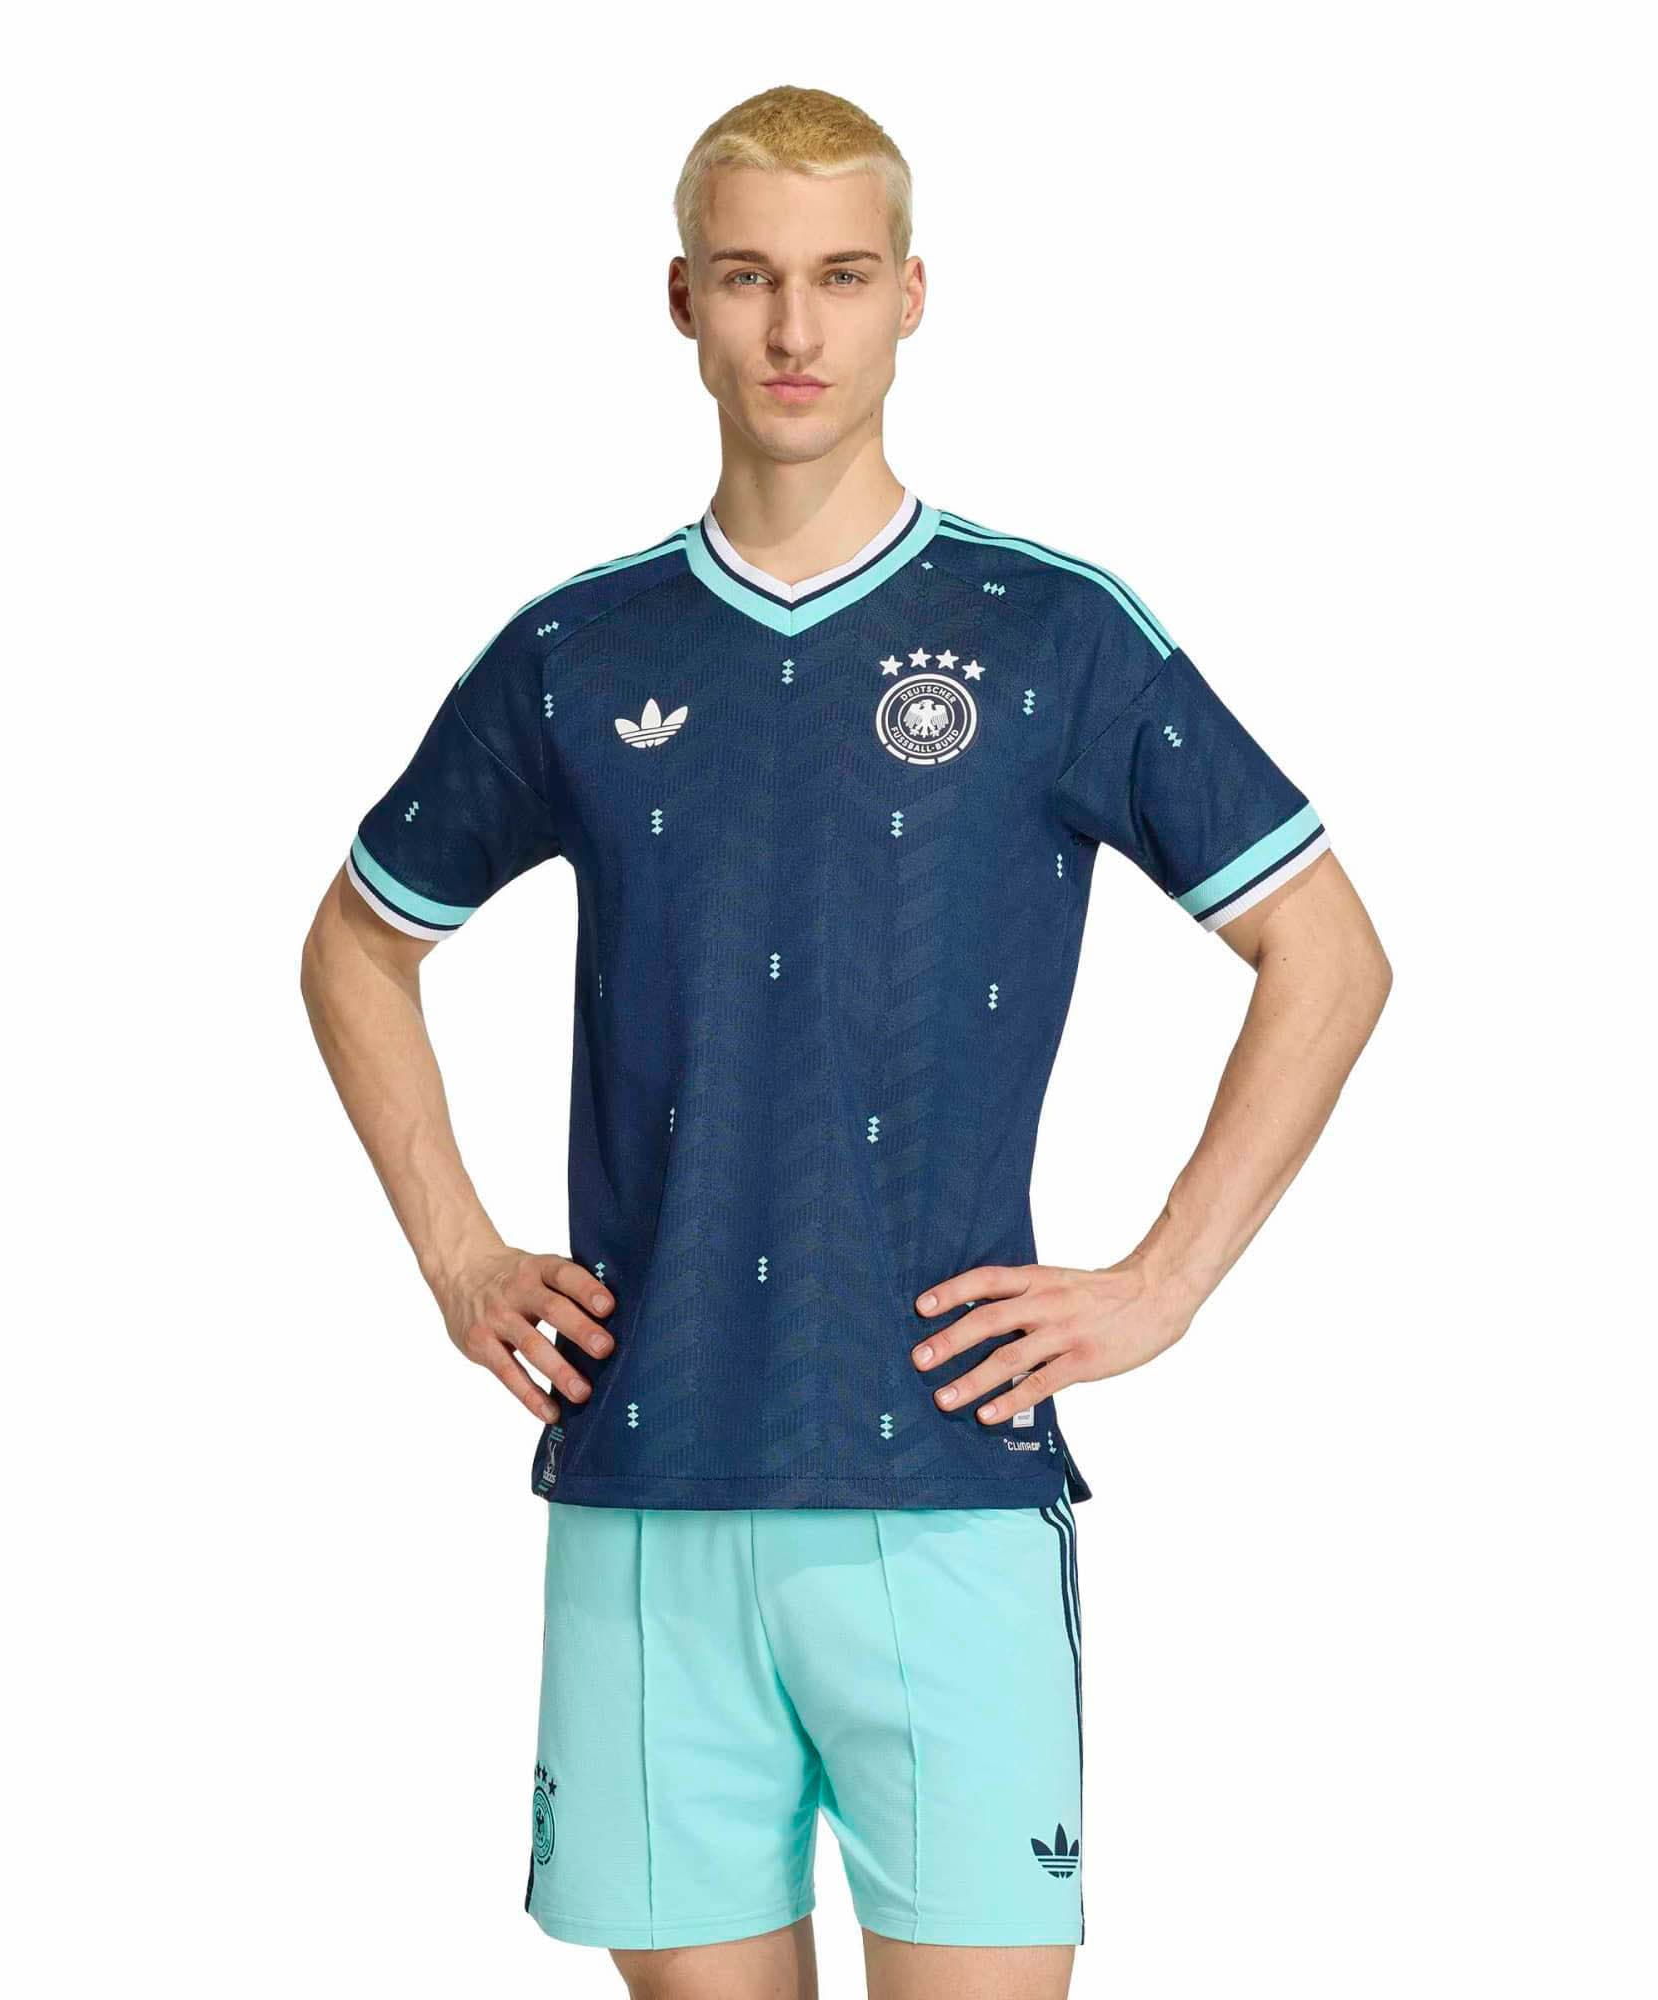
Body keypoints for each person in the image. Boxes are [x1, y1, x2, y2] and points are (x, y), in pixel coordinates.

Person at [300, 81, 1391, 2000]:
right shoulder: (578, 650)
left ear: (912, 296)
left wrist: (1163, 1284)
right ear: (682, 301)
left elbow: (1327, 951)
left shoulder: (1050, 633)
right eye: (747, 278)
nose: (794, 328)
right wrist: (459, 1254)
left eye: (840, 276)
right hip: (646, 1486)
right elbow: (355, 944)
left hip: (948, 1485)